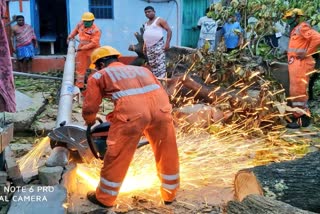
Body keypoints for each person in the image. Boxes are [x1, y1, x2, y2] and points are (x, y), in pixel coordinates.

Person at [82, 46, 180, 209]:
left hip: (132, 114)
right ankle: (170, 194)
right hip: (162, 109)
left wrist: (90, 120)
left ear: (100, 64)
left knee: (117, 154)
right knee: (167, 151)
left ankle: (105, 198)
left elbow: (90, 108)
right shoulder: (142, 70)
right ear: (116, 58)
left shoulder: (99, 75)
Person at [283, 8, 320, 128]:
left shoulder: (302, 27)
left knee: (299, 92)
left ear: (297, 17)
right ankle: (297, 115)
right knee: (295, 91)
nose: (288, 20)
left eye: (290, 18)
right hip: (296, 63)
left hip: (301, 64)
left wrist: (307, 53)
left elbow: (317, 38)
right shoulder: (295, 29)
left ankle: (302, 120)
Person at [67, 12, 101, 90]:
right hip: (82, 51)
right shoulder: (80, 25)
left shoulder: (96, 30)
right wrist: (70, 36)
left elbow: (94, 43)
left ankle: (93, 86)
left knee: (94, 68)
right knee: (80, 68)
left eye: (88, 21)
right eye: (85, 21)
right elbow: (75, 31)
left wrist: (81, 48)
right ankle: (79, 86)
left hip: (93, 51)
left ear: (93, 21)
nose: (86, 23)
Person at [143, 6, 172, 78]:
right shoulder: (146, 23)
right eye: (146, 12)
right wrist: (144, 46)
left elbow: (169, 30)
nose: (147, 13)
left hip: (158, 45)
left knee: (160, 65)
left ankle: (162, 82)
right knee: (153, 65)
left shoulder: (159, 20)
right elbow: (146, 35)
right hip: (149, 47)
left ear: (154, 12)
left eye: (149, 11)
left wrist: (167, 43)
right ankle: (156, 81)